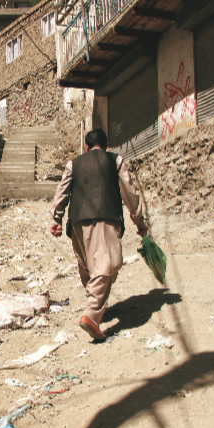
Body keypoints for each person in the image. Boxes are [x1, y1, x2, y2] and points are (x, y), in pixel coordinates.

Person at [50, 128, 148, 341]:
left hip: (76, 223)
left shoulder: (73, 164)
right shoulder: (115, 160)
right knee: (106, 264)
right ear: (107, 144)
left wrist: (56, 219)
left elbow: (62, 191)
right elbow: (129, 193)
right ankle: (92, 315)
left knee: (89, 268)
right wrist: (139, 221)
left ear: (86, 147)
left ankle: (95, 308)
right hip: (105, 217)